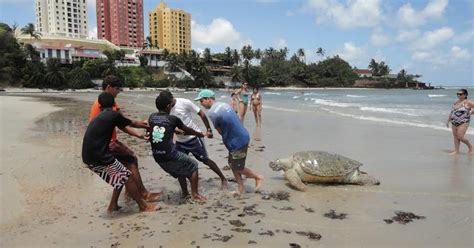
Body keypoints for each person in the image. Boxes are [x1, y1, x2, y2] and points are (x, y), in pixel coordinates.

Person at [89, 75, 160, 211]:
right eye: (117, 89)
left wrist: (139, 135)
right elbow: (126, 122)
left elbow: (121, 124)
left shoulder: (103, 102)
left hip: (102, 144)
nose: (118, 93)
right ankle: (143, 194)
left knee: (122, 170)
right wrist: (146, 126)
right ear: (109, 87)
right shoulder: (108, 105)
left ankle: (120, 200)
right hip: (107, 144)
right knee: (131, 161)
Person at [195, 89, 264, 194]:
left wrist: (210, 134)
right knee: (232, 164)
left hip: (237, 141)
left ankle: (258, 177)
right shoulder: (224, 105)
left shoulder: (212, 112)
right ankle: (241, 188)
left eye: (201, 101)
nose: (201, 104)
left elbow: (220, 131)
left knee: (238, 167)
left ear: (208, 99)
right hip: (241, 136)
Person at [149, 91, 207, 202]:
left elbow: (159, 127)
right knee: (193, 165)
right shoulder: (173, 119)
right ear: (168, 106)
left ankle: (185, 193)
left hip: (157, 157)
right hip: (170, 155)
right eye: (170, 105)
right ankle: (195, 195)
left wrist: (174, 130)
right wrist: (198, 134)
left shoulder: (152, 117)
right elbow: (187, 130)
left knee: (180, 169)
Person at [169, 92, 228, 189]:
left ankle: (223, 178)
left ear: (173, 97)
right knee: (178, 163)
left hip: (194, 138)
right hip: (180, 141)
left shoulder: (184, 102)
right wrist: (174, 132)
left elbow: (201, 113)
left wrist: (208, 129)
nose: (169, 106)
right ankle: (184, 191)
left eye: (170, 103)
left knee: (205, 159)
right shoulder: (167, 107)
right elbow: (169, 124)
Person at [446, 89, 473, 155]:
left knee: (460, 137)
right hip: (454, 121)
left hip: (464, 122)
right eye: (457, 94)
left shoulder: (468, 102)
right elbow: (452, 112)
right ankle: (456, 151)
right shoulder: (455, 102)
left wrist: (472, 112)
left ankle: (471, 146)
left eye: (460, 94)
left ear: (465, 95)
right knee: (455, 137)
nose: (458, 95)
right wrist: (448, 120)